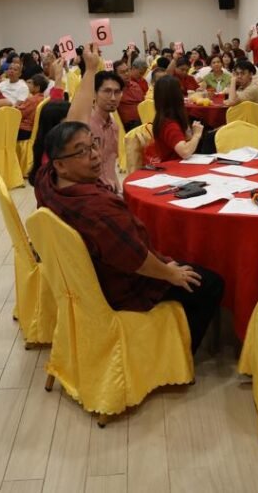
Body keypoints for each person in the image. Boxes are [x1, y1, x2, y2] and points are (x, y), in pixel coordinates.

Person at [34, 121, 224, 353]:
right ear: (60, 165)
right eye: (81, 151)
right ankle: (177, 355)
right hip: (122, 287)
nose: (95, 155)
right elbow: (137, 260)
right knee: (210, 283)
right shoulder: (99, 211)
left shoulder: (46, 180)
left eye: (93, 144)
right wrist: (170, 273)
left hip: (82, 278)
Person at [67, 44, 123, 192]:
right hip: (90, 193)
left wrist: (118, 192)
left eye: (117, 92)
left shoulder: (114, 126)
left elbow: (110, 165)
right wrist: (90, 68)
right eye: (107, 91)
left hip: (109, 191)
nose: (113, 98)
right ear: (94, 93)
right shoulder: (85, 124)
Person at [148, 75, 204, 162]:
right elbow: (185, 152)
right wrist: (196, 135)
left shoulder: (165, 118)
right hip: (172, 165)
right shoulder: (169, 124)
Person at [17, 74, 50, 141]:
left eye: (30, 83)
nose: (28, 85)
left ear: (37, 88)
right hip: (31, 130)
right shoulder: (42, 98)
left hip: (24, 130)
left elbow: (19, 114)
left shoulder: (32, 100)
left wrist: (15, 107)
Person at [116, 60, 146, 129]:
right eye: (122, 72)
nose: (127, 74)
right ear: (116, 75)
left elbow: (143, 100)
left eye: (127, 70)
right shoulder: (115, 90)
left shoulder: (135, 85)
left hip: (144, 118)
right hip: (130, 125)